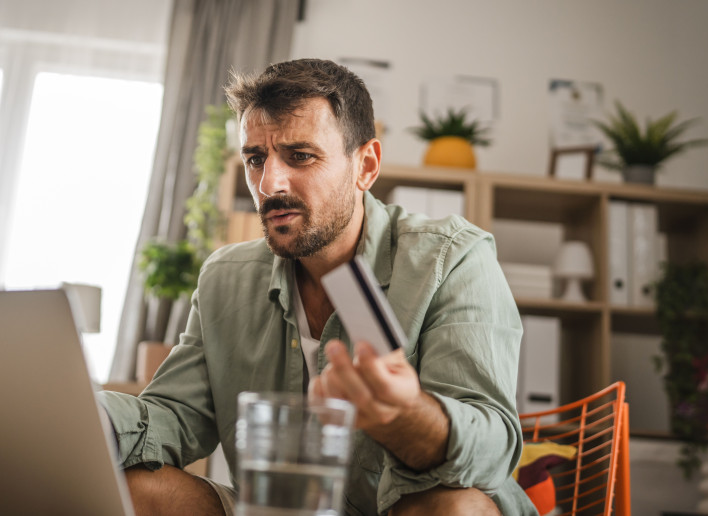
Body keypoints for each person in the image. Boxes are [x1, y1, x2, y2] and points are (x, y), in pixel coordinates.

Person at [97, 58, 537, 515]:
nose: (269, 183)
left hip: (401, 508)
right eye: (255, 158)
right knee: (134, 490)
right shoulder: (225, 277)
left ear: (365, 165)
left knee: (456, 507)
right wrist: (92, 416)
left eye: (300, 156)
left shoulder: (453, 258)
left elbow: (491, 449)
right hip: (277, 508)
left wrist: (407, 415)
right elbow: (175, 417)